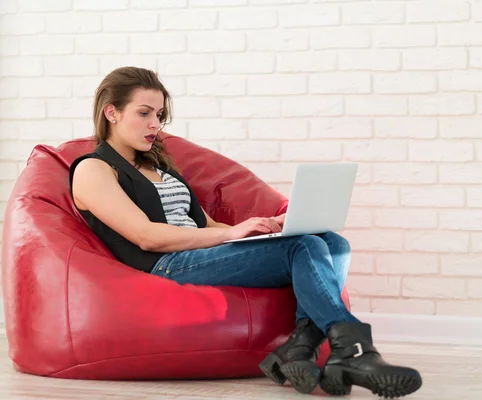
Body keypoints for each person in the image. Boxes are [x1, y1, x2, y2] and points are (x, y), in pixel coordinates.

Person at [69, 66, 422, 398]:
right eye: (144, 113)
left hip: (200, 252)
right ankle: (351, 349)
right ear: (111, 113)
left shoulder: (158, 166)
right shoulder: (94, 169)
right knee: (303, 248)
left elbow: (205, 226)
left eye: (159, 115)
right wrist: (234, 234)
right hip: (166, 263)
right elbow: (147, 235)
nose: (155, 124)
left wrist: (265, 231)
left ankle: (300, 348)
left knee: (332, 242)